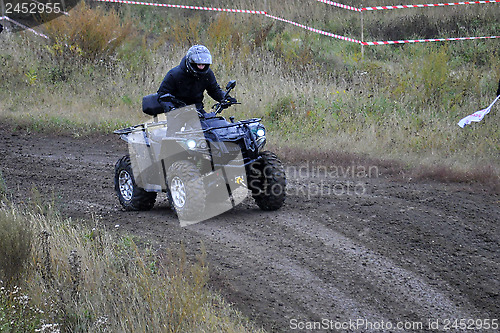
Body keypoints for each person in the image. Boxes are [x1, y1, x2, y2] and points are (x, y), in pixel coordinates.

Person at [157, 45, 236, 114]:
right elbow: (162, 95)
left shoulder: (207, 74)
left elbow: (214, 90)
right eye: (199, 64)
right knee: (176, 131)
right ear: (191, 62)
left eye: (203, 64)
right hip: (177, 111)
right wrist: (171, 108)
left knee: (212, 126)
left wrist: (225, 98)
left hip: (197, 109)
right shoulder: (174, 74)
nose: (202, 66)